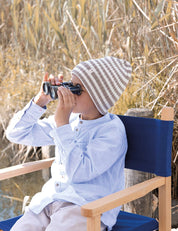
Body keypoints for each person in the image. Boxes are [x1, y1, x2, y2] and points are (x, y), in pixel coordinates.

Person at [6, 56, 132, 231]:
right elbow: (16, 133)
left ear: (99, 97)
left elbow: (79, 173)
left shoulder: (111, 132)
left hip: (87, 209)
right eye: (69, 84)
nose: (69, 92)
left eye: (77, 89)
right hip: (49, 201)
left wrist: (62, 125)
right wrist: (40, 101)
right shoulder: (71, 120)